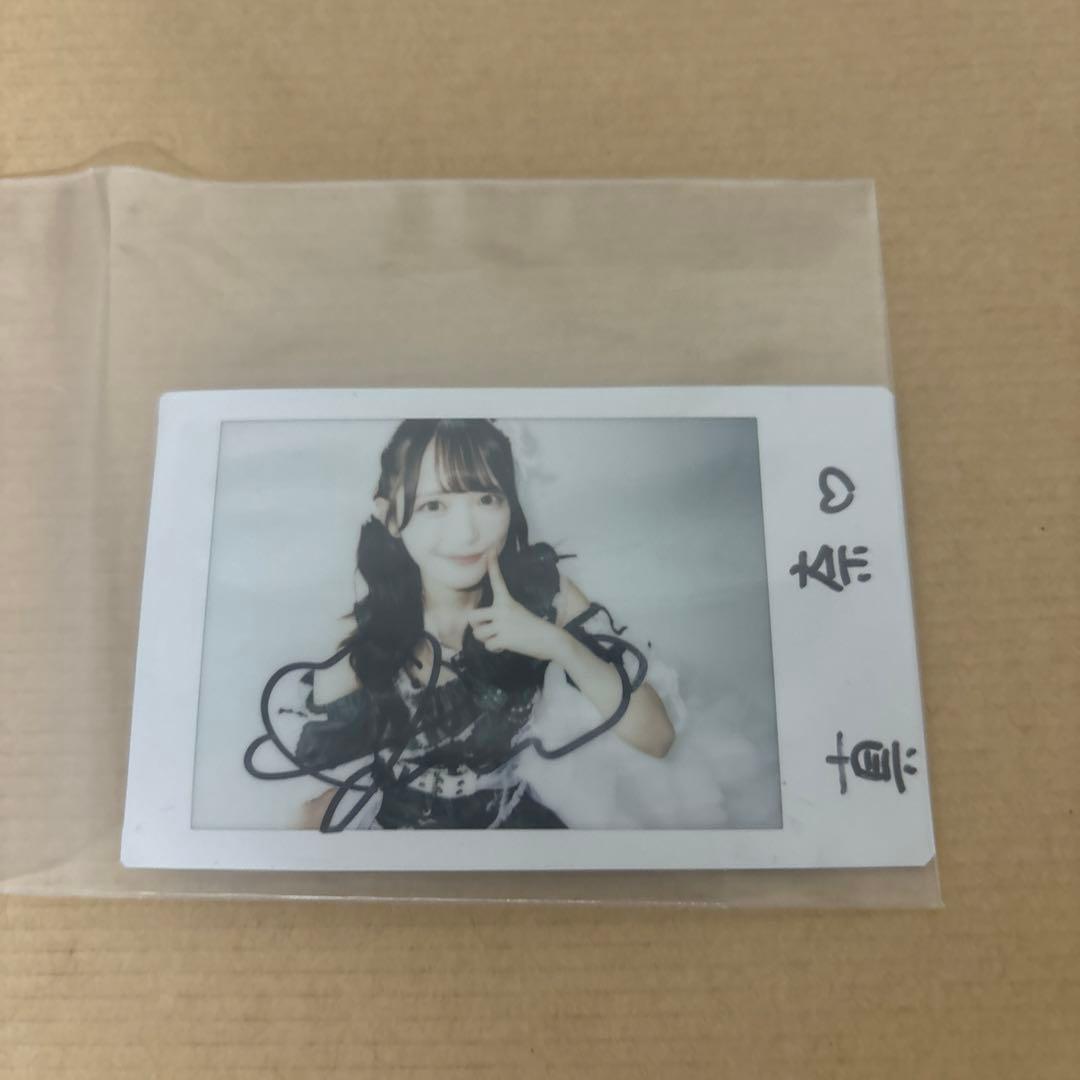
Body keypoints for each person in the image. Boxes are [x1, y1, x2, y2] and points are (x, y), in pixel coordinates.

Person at [247, 418, 676, 831]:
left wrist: (556, 643)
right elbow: (309, 785)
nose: (467, 532)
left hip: (512, 825)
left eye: (487, 499)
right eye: (434, 506)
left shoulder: (547, 596)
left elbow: (657, 738)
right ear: (390, 517)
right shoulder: (363, 633)